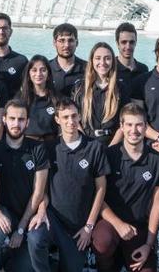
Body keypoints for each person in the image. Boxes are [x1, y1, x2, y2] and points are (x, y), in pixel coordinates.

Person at [93, 103, 159, 272]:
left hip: (138, 227)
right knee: (103, 243)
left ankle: (128, 253)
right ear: (122, 127)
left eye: (139, 125)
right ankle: (106, 265)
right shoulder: (108, 155)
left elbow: (158, 204)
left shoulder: (157, 161)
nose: (134, 130)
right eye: (129, 125)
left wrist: (149, 244)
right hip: (110, 222)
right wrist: (118, 224)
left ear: (146, 127)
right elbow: (98, 196)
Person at [0, 100, 50, 272]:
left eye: (21, 119)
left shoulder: (38, 149)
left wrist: (21, 228)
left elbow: (39, 191)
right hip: (3, 211)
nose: (16, 124)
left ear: (27, 122)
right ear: (4, 119)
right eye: (12, 118)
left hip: (28, 212)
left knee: (23, 267)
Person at [46, 98, 109, 272]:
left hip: (80, 224)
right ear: (57, 120)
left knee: (72, 267)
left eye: (74, 116)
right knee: (37, 243)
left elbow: (101, 188)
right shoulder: (50, 148)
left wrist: (89, 226)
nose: (70, 121)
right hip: (55, 221)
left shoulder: (94, 147)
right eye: (65, 117)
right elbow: (42, 186)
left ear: (80, 116)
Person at [74, 42, 127, 146]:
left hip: (113, 144)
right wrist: (84, 145)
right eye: (98, 58)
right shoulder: (79, 88)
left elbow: (124, 123)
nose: (102, 62)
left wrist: (112, 148)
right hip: (85, 143)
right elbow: (75, 119)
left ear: (113, 61)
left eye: (107, 58)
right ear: (92, 61)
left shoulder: (121, 88)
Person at [16, 55, 60, 141]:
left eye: (43, 70)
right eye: (34, 70)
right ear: (28, 74)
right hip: (27, 146)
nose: (38, 74)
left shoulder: (58, 98)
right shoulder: (20, 98)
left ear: (49, 74)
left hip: (52, 146)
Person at [0, 13, 29, 99]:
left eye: (5, 28)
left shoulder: (21, 61)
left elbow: (28, 89)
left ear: (10, 31)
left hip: (13, 110)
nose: (1, 32)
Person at [50, 23, 87, 97]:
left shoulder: (88, 69)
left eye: (70, 40)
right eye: (62, 40)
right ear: (54, 43)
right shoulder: (46, 69)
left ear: (77, 43)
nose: (66, 45)